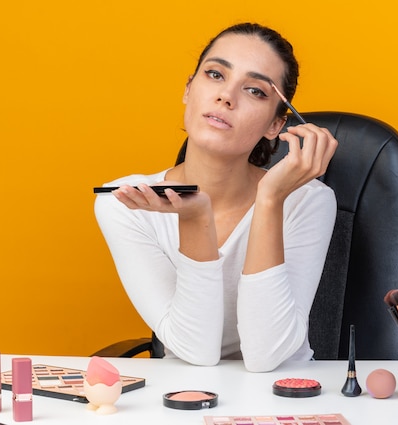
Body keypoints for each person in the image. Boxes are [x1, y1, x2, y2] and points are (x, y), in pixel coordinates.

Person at [94, 22, 338, 372]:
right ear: (188, 89)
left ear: (275, 125)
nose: (227, 96)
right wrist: (195, 219)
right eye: (215, 74)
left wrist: (269, 200)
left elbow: (266, 356)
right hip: (184, 398)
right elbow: (197, 350)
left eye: (255, 91)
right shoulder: (126, 202)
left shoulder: (308, 201)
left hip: (284, 395)